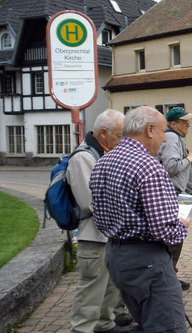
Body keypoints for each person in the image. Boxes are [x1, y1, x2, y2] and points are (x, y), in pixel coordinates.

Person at [90, 106, 189, 332]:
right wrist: (181, 226)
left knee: (146, 322)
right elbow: (164, 229)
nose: (164, 139)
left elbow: (99, 214)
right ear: (150, 130)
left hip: (116, 257)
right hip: (147, 261)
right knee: (167, 327)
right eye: (164, 132)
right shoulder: (148, 166)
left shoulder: (104, 161)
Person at [69, 109, 130, 333]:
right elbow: (90, 202)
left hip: (109, 235)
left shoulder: (104, 154)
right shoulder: (83, 157)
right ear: (103, 133)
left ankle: (105, 324)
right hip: (92, 237)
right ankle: (82, 329)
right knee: (91, 292)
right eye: (120, 135)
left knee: (110, 288)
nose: (122, 140)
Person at [158, 106, 192, 291]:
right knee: (173, 238)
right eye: (184, 122)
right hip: (173, 195)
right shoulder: (172, 138)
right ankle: (168, 279)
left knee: (176, 238)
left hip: (181, 195)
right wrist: (189, 158)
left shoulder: (177, 138)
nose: (188, 125)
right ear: (173, 124)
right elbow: (170, 167)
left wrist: (191, 193)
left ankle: (170, 276)